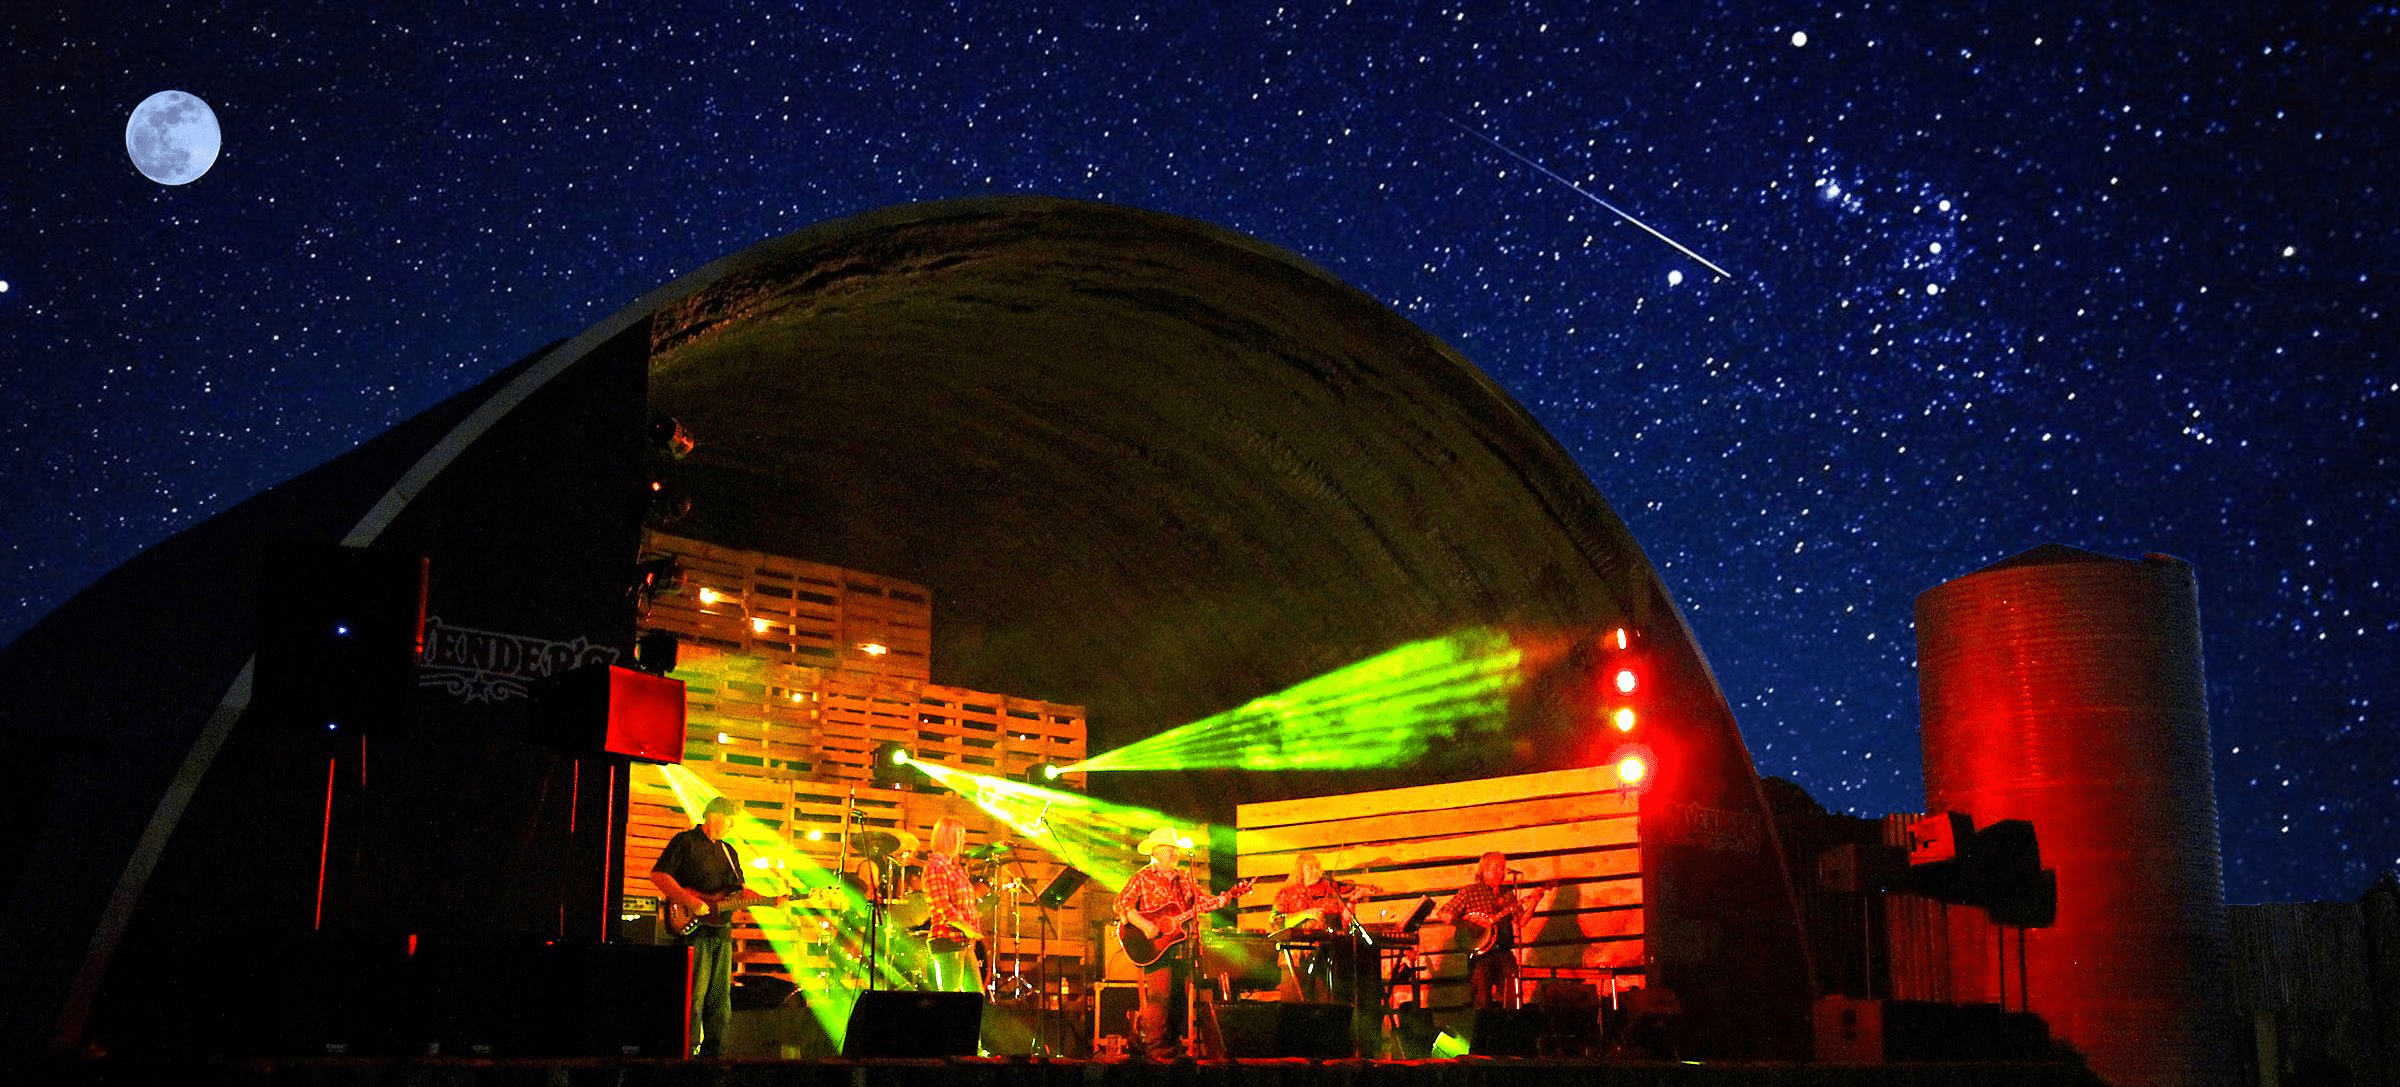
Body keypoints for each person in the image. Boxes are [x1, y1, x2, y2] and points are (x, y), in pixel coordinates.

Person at [650, 796, 763, 1057]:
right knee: (694, 995)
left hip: (721, 930)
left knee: (719, 997)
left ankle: (714, 1054)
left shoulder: (728, 852)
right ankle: (685, 1052)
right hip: (693, 930)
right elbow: (659, 875)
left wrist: (773, 901)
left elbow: (739, 890)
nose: (732, 825)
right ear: (714, 815)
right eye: (730, 819)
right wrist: (687, 899)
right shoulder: (685, 842)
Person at [1114, 826, 1205, 1059]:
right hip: (1153, 946)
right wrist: (1145, 925)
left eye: (1175, 849)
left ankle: (1170, 1043)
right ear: (1155, 852)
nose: (1174, 853)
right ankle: (1153, 1044)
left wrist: (1225, 899)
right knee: (1159, 995)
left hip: (1181, 942)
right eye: (1168, 849)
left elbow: (1201, 901)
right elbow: (1122, 904)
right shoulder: (1142, 877)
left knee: (1180, 996)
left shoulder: (1184, 878)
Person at [1433, 851, 1538, 1010]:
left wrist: (1534, 903)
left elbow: (1521, 921)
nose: (1501, 873)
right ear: (1484, 871)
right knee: (1482, 1000)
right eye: (1496, 869)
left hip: (1504, 952)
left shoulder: (1508, 894)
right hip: (1481, 956)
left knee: (1512, 998)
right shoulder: (1470, 892)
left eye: (1503, 869)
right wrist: (1468, 925)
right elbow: (1443, 913)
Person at [1271, 852, 1380, 1005]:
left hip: (1324, 958)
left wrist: (1353, 901)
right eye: (1311, 868)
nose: (1316, 872)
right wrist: (1305, 914)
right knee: (1293, 1007)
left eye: (1318, 867)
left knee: (1324, 1004)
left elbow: (1344, 922)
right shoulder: (1287, 893)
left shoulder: (1328, 892)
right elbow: (1276, 922)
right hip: (1295, 959)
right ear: (1300, 871)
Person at [920, 816, 985, 992]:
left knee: (975, 996)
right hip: (947, 939)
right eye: (961, 836)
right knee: (950, 998)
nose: (965, 841)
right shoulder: (935, 866)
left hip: (962, 940)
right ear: (951, 838)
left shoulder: (953, 867)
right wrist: (967, 927)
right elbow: (942, 906)